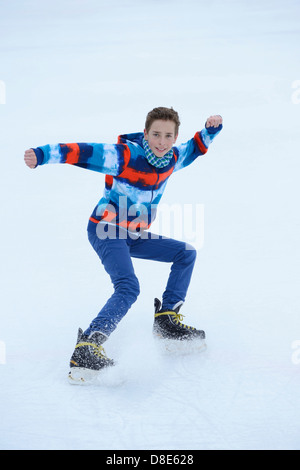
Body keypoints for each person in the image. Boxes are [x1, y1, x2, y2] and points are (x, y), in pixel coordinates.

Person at [24, 107, 223, 381]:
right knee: (129, 287)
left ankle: (166, 320)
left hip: (132, 233)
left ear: (175, 137)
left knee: (185, 253)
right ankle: (88, 347)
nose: (161, 142)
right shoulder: (126, 156)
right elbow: (83, 152)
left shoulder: (173, 158)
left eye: (168, 136)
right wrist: (43, 155)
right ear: (145, 133)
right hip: (106, 229)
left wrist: (209, 131)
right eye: (156, 134)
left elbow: (193, 149)